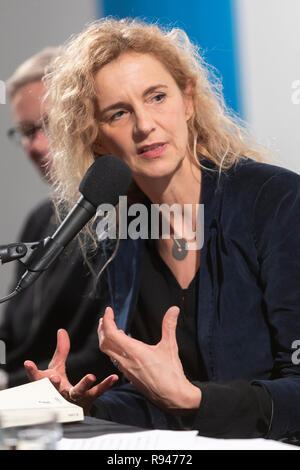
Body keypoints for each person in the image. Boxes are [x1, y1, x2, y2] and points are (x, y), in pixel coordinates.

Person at [24, 18, 300, 441]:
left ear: (187, 100)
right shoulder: (121, 232)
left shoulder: (275, 200)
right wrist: (84, 405)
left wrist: (195, 400)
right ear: (96, 138)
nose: (144, 125)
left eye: (156, 97)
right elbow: (163, 403)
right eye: (118, 112)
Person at [0, 48, 118, 391]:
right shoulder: (40, 219)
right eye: (25, 131)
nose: (36, 145)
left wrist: (8, 382)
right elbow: (12, 333)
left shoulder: (125, 216)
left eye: (47, 126)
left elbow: (103, 355)